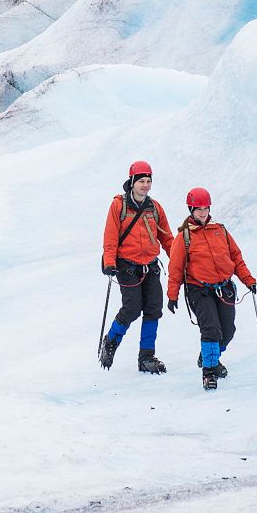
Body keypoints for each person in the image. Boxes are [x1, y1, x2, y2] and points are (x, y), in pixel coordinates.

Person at [166, 187, 257, 391]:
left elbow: (236, 257)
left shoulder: (221, 230)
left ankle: (210, 356)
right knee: (211, 330)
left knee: (228, 331)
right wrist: (172, 295)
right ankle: (209, 372)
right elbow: (176, 268)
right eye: (198, 209)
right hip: (199, 290)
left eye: (205, 208)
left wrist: (248, 279)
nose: (202, 212)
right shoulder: (184, 237)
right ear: (191, 209)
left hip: (224, 288)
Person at [99, 160, 174, 373]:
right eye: (141, 181)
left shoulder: (155, 208)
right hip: (126, 266)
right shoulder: (119, 206)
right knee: (132, 308)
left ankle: (146, 357)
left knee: (153, 309)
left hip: (150, 266)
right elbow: (110, 236)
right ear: (132, 182)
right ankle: (111, 340)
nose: (146, 185)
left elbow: (167, 238)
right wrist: (109, 262)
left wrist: (179, 259)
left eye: (148, 181)